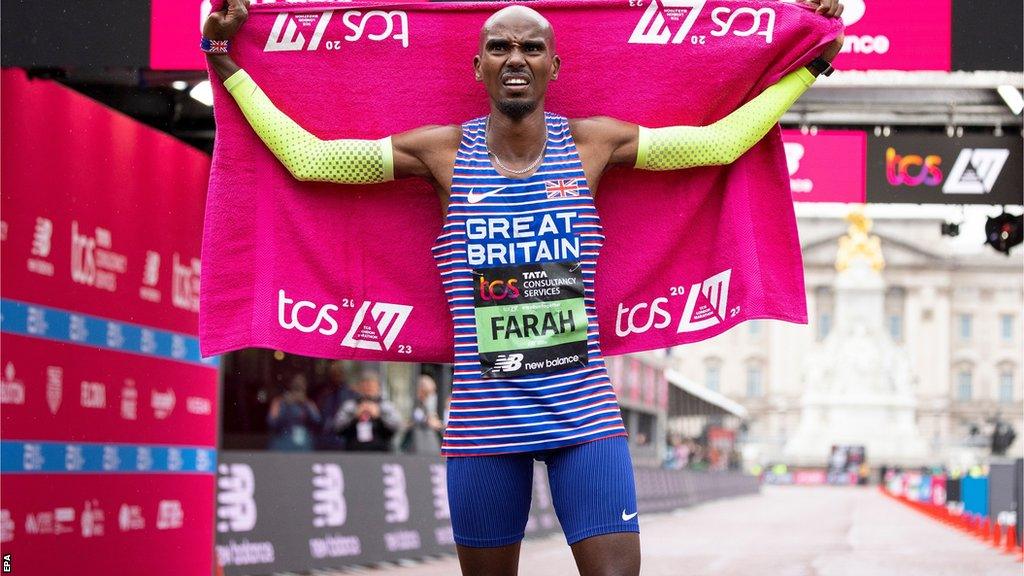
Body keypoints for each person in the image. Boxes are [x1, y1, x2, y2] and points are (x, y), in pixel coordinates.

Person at [203, 1, 844, 573]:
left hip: (584, 417)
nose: (516, 58)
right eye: (500, 47)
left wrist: (806, 68)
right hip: (484, 426)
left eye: (531, 47)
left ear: (555, 66)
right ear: (477, 65)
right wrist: (224, 58)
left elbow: (720, 143)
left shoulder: (594, 143)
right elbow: (310, 159)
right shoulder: (441, 153)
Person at [332, 370, 402, 452]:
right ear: (360, 388)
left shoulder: (386, 406)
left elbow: (397, 426)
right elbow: (337, 427)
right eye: (366, 385)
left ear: (378, 387)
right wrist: (355, 416)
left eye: (372, 386)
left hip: (381, 454)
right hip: (354, 453)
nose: (368, 389)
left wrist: (379, 416)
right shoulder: (350, 405)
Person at [266, 374, 321, 451]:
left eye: (301, 385)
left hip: (304, 444)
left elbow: (317, 421)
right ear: (290, 385)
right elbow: (272, 422)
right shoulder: (279, 401)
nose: (298, 388)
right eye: (296, 385)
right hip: (283, 443)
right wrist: (285, 406)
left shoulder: (309, 403)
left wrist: (305, 404)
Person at [314, 361, 358, 450]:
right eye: (334, 373)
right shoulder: (324, 393)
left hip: (344, 439)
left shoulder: (351, 394)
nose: (337, 376)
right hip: (325, 438)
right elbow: (318, 415)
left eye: (339, 372)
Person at [402, 374, 445, 454]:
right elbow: (412, 418)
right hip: (413, 445)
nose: (431, 396)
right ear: (421, 390)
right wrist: (427, 420)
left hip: (429, 446)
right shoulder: (412, 402)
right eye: (428, 393)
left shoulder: (428, 405)